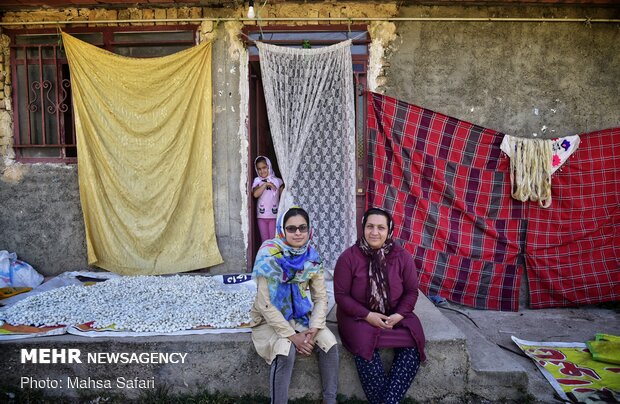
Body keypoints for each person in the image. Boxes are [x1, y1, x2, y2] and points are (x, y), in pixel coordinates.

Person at [334, 207, 426, 404]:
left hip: (394, 315)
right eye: (370, 227)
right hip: (357, 316)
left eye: (381, 228)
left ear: (389, 231)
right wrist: (368, 315)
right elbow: (341, 296)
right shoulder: (348, 258)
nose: (374, 232)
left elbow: (411, 292)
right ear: (363, 228)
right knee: (364, 346)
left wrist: (400, 314)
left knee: (412, 343)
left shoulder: (402, 257)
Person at [250, 206, 339, 404]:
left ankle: (330, 400)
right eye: (291, 229)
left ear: (309, 230)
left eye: (302, 227)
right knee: (285, 350)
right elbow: (265, 304)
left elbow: (320, 297)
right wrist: (294, 337)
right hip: (269, 320)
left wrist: (314, 329)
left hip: (301, 317)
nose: (298, 233)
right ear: (282, 230)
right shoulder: (268, 255)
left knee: (329, 343)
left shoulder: (311, 257)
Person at [252, 155, 284, 242]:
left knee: (274, 241)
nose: (262, 171)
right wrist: (265, 184)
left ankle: (274, 256)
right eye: (259, 169)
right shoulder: (257, 181)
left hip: (274, 216)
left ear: (269, 167)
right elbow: (255, 194)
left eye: (264, 167)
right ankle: (266, 256)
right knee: (265, 241)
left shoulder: (278, 181)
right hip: (261, 216)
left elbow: (283, 198)